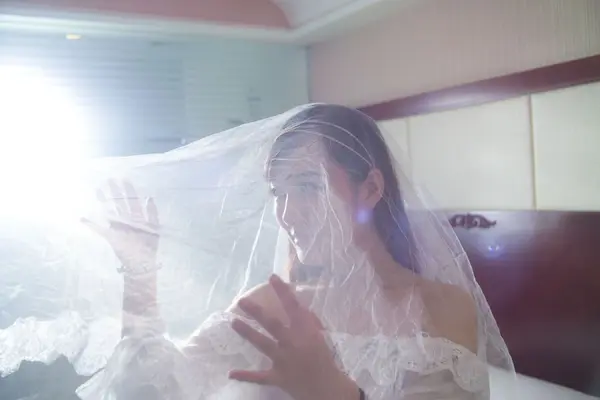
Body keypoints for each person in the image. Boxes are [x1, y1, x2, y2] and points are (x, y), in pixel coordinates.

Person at [77, 104, 513, 399]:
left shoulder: (440, 310)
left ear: (370, 188)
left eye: (307, 186)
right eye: (277, 192)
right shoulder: (267, 307)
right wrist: (139, 275)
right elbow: (154, 393)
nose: (287, 213)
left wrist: (337, 393)